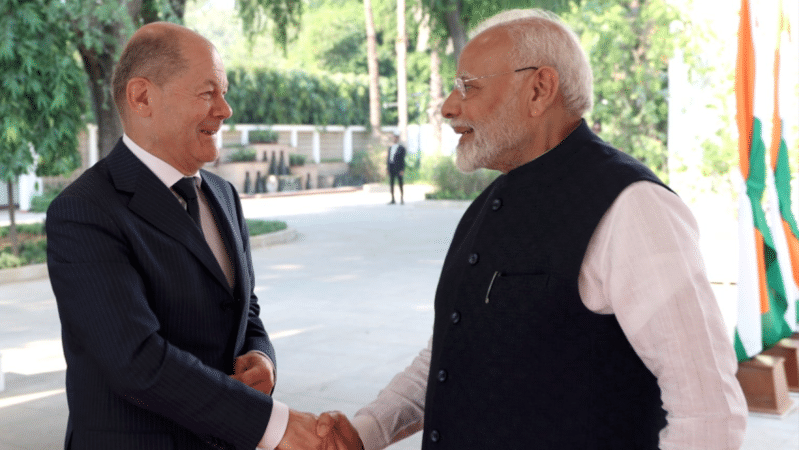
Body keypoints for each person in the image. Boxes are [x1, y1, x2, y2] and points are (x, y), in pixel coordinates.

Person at [325, 8, 747, 450]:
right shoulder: (486, 207)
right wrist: (364, 432)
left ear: (539, 89)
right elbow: (451, 354)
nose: (448, 107)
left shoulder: (634, 208)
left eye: (468, 86)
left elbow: (709, 411)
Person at [46, 22, 332, 450]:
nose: (225, 109)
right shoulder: (84, 211)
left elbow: (243, 308)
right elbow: (135, 361)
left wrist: (262, 356)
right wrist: (275, 426)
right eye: (208, 92)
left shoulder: (223, 194)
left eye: (225, 91)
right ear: (142, 96)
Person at [386, 132, 406, 204]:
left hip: (399, 168)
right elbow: (388, 159)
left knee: (400, 183)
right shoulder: (390, 148)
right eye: (394, 137)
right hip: (391, 168)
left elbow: (403, 160)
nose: (395, 138)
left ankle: (402, 198)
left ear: (398, 138)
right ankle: (392, 199)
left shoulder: (402, 148)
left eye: (396, 137)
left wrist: (402, 169)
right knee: (391, 183)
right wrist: (387, 168)